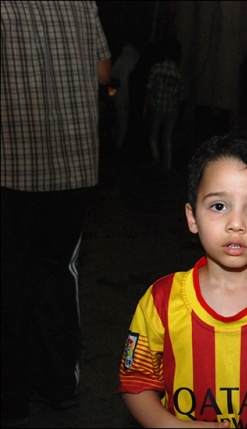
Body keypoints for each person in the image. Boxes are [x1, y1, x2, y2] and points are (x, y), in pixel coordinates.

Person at [118, 134, 247, 427]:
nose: (236, 224)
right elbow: (135, 382)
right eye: (218, 206)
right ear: (192, 217)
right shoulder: (161, 301)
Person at [0, 2, 111, 426]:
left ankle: (11, 398)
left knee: (10, 280)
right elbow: (103, 72)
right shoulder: (80, 3)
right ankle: (58, 386)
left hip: (11, 165)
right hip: (72, 165)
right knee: (58, 275)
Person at [143, 37, 184, 173]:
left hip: (157, 106)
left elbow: (149, 89)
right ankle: (167, 166)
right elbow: (179, 95)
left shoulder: (157, 68)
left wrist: (145, 107)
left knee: (153, 136)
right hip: (172, 109)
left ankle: (156, 160)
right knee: (167, 137)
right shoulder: (178, 72)